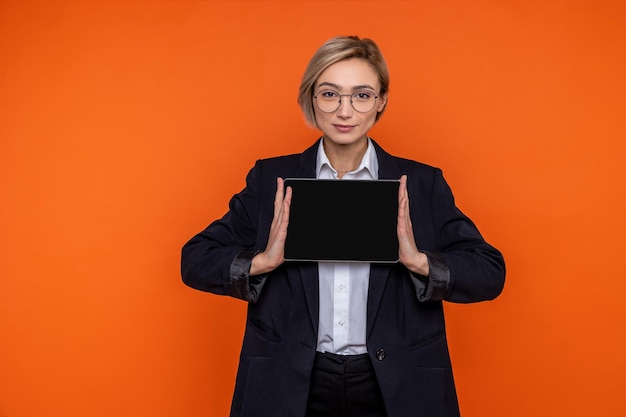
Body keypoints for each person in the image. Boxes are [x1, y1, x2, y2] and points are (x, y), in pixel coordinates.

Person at [181, 35, 505, 417]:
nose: (344, 111)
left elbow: (489, 272)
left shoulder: (420, 183)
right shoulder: (273, 179)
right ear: (311, 98)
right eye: (330, 94)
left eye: (362, 95)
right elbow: (195, 259)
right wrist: (260, 262)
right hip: (291, 381)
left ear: (381, 100)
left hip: (396, 383)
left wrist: (419, 261)